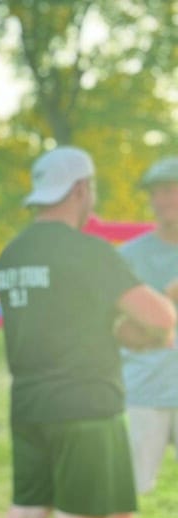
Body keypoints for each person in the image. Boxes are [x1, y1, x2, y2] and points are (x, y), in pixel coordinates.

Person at [0, 146, 176, 518]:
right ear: (80, 189)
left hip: (28, 406)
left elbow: (64, 321)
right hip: (85, 408)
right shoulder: (89, 252)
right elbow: (161, 318)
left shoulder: (11, 256)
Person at [117, 157, 178, 495]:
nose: (162, 200)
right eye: (156, 193)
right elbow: (117, 327)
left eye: (170, 190)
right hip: (144, 391)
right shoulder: (129, 256)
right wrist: (165, 301)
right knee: (126, 492)